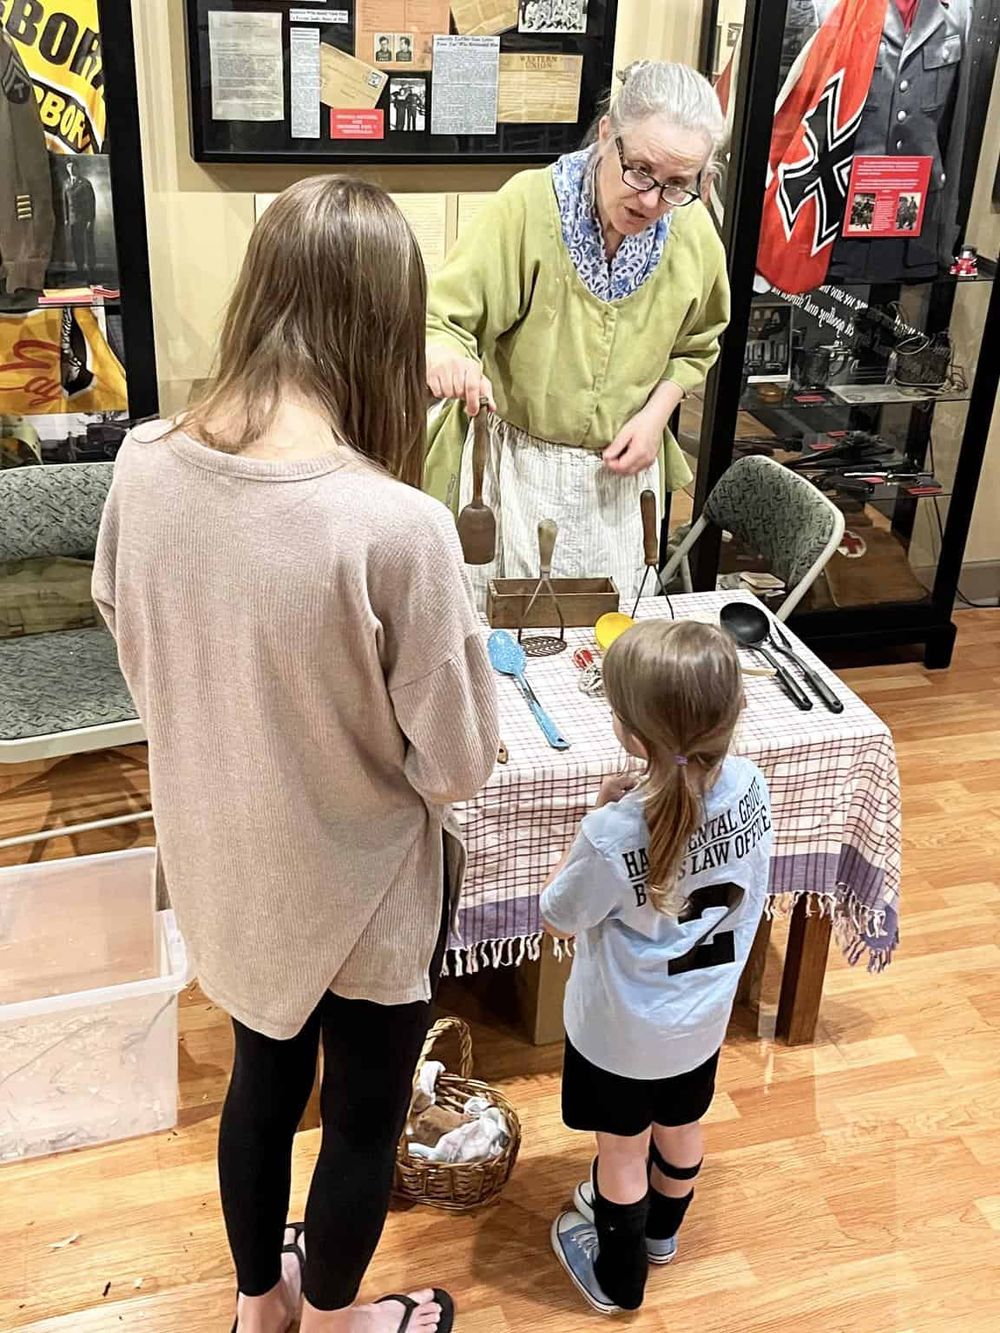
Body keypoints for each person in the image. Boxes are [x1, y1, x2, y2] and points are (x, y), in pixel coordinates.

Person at [93, 177, 500, 1333]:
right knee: (364, 1116)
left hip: (223, 854)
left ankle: (258, 1305)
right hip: (361, 887)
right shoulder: (394, 526)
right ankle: (334, 1322)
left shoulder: (144, 465)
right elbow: (457, 764)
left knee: (259, 1085)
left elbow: (137, 645)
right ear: (388, 324)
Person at [424, 61, 729, 606]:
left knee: (607, 642)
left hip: (621, 477)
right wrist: (449, 357)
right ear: (608, 133)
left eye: (678, 185)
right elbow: (444, 320)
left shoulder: (693, 232)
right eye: (640, 170)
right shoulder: (527, 206)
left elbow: (698, 344)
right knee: (502, 632)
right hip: (514, 468)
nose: (652, 201)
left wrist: (656, 416)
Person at [540, 619, 773, 1315]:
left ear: (634, 738)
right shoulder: (753, 785)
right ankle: (663, 1236)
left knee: (621, 1153)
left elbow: (559, 914)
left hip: (621, 1033)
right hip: (701, 1018)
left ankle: (619, 1279)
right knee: (680, 1125)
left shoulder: (614, 832)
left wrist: (598, 812)